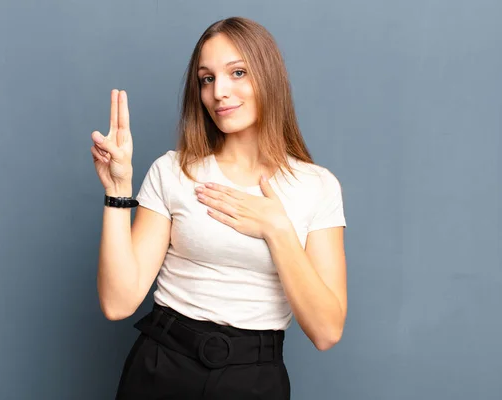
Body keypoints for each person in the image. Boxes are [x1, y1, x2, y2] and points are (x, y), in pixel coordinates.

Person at [90, 16, 347, 400]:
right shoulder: (173, 171)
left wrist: (277, 229)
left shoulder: (317, 186)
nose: (219, 92)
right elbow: (118, 302)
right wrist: (117, 191)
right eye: (207, 78)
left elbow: (327, 331)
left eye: (237, 72)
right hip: (162, 365)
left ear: (269, 77)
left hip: (254, 378)